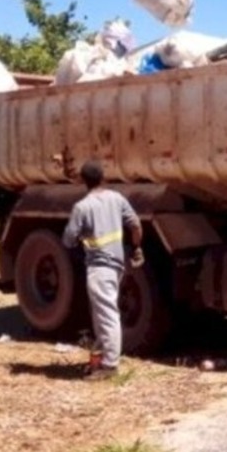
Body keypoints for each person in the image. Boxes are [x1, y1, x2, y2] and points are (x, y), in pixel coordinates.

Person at [62, 160, 144, 381]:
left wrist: (80, 234)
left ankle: (110, 366)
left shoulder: (82, 207)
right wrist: (136, 248)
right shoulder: (117, 198)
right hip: (117, 265)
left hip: (99, 267)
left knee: (106, 315)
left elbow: (68, 240)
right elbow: (135, 224)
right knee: (101, 315)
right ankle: (101, 359)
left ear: (84, 181)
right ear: (102, 178)